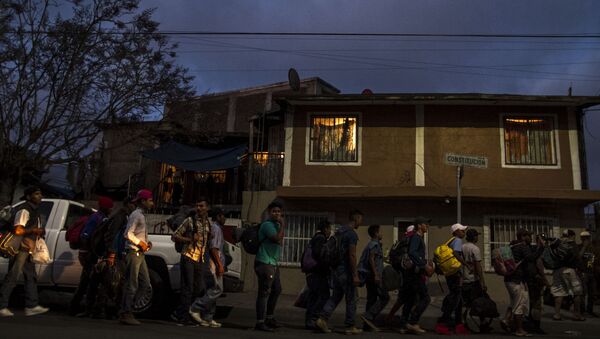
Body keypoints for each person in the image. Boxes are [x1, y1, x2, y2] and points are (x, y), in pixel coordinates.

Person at [0, 186, 49, 317]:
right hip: (20, 248)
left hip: (27, 248)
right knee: (13, 276)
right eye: (37, 194)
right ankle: (1, 305)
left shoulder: (34, 210)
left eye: (40, 194)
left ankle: (32, 305)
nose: (40, 196)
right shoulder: (25, 210)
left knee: (31, 276)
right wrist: (33, 231)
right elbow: (18, 230)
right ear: (28, 197)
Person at [316, 209, 364, 335]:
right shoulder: (351, 234)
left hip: (336, 270)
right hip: (346, 271)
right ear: (357, 218)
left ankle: (322, 319)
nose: (361, 222)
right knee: (352, 297)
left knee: (336, 296)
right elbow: (352, 255)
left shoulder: (339, 231)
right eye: (361, 220)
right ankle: (350, 326)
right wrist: (355, 274)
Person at [70, 196, 113, 317]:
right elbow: (85, 235)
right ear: (104, 207)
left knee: (91, 281)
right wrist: (90, 252)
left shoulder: (102, 218)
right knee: (87, 281)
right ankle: (76, 308)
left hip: (94, 255)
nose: (111, 209)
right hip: (90, 255)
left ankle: (83, 308)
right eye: (109, 207)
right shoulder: (96, 218)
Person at [171, 198, 211, 326]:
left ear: (207, 208)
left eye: (201, 206)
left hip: (200, 259)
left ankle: (189, 314)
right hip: (188, 256)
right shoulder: (190, 221)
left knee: (198, 288)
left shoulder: (207, 223)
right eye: (197, 205)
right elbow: (175, 236)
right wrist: (188, 239)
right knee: (187, 288)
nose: (199, 208)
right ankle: (183, 317)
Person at [119, 189, 154, 326]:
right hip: (133, 253)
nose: (152, 203)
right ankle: (125, 313)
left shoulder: (141, 215)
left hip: (139, 253)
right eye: (150, 200)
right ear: (143, 201)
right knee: (132, 284)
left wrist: (146, 243)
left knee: (145, 284)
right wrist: (140, 243)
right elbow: (128, 234)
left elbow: (138, 233)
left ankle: (126, 309)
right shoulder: (136, 215)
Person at [500, 229, 544, 337]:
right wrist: (541, 247)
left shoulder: (513, 245)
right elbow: (531, 258)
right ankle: (519, 329)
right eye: (529, 236)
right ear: (523, 236)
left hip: (510, 279)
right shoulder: (522, 247)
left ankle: (507, 320)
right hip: (516, 280)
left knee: (515, 302)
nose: (530, 238)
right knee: (519, 305)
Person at [189, 207, 226, 328]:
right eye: (223, 216)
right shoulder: (216, 228)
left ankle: (208, 317)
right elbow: (214, 248)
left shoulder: (215, 228)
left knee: (212, 290)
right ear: (219, 216)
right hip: (213, 264)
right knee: (217, 289)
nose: (224, 218)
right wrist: (220, 265)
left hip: (213, 264)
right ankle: (196, 307)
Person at [398, 216, 433, 335]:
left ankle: (404, 325)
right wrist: (424, 265)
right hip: (415, 274)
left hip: (411, 274)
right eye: (425, 224)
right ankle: (413, 322)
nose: (427, 226)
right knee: (425, 298)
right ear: (419, 226)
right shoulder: (416, 238)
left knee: (410, 299)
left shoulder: (416, 238)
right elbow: (412, 252)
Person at [254, 201, 285, 332]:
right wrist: (283, 225)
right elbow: (277, 239)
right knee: (264, 292)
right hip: (264, 262)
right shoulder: (267, 225)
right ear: (269, 212)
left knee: (277, 289)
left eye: (279, 211)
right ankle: (260, 322)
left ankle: (269, 317)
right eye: (274, 211)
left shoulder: (275, 225)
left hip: (272, 263)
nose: (277, 213)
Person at [436, 223, 468, 335]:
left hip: (450, 273)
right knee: (455, 297)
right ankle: (443, 322)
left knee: (458, 299)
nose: (464, 232)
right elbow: (456, 254)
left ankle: (458, 324)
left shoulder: (449, 241)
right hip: (455, 273)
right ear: (456, 232)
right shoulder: (457, 240)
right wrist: (466, 264)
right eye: (462, 230)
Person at [358, 224, 389, 331]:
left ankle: (367, 324)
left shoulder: (372, 244)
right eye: (380, 231)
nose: (382, 234)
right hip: (374, 276)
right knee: (385, 297)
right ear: (376, 233)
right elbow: (371, 259)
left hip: (370, 276)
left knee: (371, 299)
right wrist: (376, 274)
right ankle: (368, 316)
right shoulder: (374, 245)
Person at [551, 229, 585, 321]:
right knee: (577, 292)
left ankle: (557, 314)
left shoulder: (559, 243)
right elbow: (578, 258)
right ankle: (577, 315)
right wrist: (584, 247)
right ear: (572, 236)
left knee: (559, 292)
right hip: (569, 270)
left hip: (557, 271)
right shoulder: (572, 244)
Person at [385, 225, 415, 327]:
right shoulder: (409, 241)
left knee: (403, 298)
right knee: (409, 297)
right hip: (407, 274)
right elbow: (408, 259)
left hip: (402, 273)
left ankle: (392, 317)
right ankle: (404, 321)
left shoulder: (401, 241)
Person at [304, 220, 332, 330]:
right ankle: (314, 318)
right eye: (330, 229)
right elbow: (318, 253)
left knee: (314, 296)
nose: (330, 231)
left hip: (312, 272)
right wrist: (326, 264)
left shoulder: (316, 237)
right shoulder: (321, 238)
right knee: (324, 295)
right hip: (317, 272)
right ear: (325, 229)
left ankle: (309, 320)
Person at [461, 229, 489, 331]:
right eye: (477, 236)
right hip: (473, 280)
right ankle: (483, 322)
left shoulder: (462, 247)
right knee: (480, 301)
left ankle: (463, 322)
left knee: (466, 303)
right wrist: (482, 282)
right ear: (474, 237)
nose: (478, 237)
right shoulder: (475, 249)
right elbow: (478, 266)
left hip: (464, 279)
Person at [578, 231, 597, 317]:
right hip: (583, 273)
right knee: (583, 293)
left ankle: (590, 310)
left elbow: (594, 260)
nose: (586, 239)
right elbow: (578, 257)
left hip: (591, 273)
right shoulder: (579, 247)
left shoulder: (592, 248)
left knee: (592, 293)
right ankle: (582, 311)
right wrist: (584, 246)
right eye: (584, 238)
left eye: (587, 238)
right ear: (581, 239)